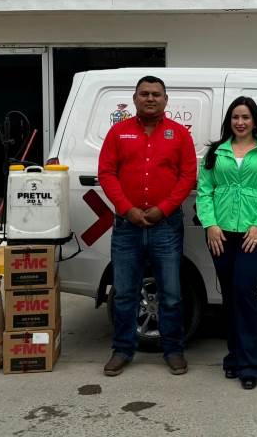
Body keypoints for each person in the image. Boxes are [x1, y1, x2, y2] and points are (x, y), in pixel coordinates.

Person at [98, 75, 197, 377]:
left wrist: (163, 209)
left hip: (166, 226)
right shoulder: (118, 133)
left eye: (156, 94)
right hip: (127, 226)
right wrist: (127, 210)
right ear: (135, 98)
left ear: (166, 100)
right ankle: (122, 350)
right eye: (145, 94)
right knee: (126, 291)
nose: (150, 98)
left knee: (171, 292)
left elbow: (187, 177)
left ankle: (173, 349)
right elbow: (106, 173)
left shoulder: (179, 134)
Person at [196, 96, 257, 390]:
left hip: (253, 234)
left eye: (246, 117)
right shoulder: (216, 152)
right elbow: (204, 191)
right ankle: (233, 357)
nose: (240, 122)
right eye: (235, 117)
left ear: (255, 120)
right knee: (230, 295)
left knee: (244, 290)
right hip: (220, 234)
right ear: (229, 121)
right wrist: (210, 225)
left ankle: (250, 365)